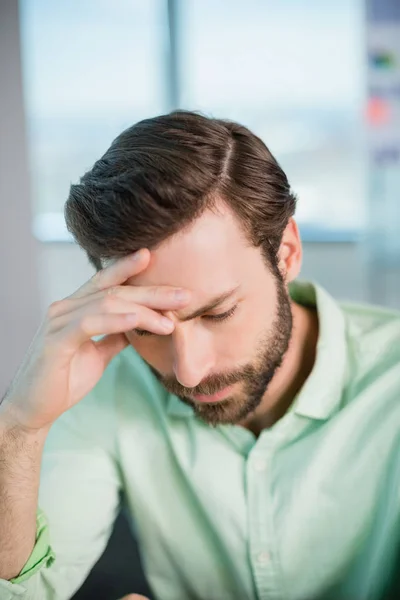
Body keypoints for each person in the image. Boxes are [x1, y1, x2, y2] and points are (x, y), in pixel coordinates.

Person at [0, 110, 399, 600]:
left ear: (287, 254)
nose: (188, 371)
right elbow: (25, 590)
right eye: (147, 327)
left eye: (218, 313)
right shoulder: (100, 381)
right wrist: (20, 424)